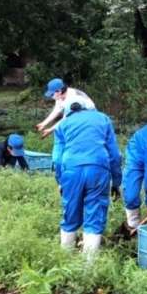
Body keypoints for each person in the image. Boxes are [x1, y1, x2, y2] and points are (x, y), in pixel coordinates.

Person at [52, 103, 122, 256]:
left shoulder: (62, 124)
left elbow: (57, 160)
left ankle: (65, 258)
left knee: (70, 213)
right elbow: (115, 155)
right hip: (98, 169)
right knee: (95, 214)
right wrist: (116, 182)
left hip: (71, 170)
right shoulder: (103, 119)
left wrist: (60, 181)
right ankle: (88, 266)